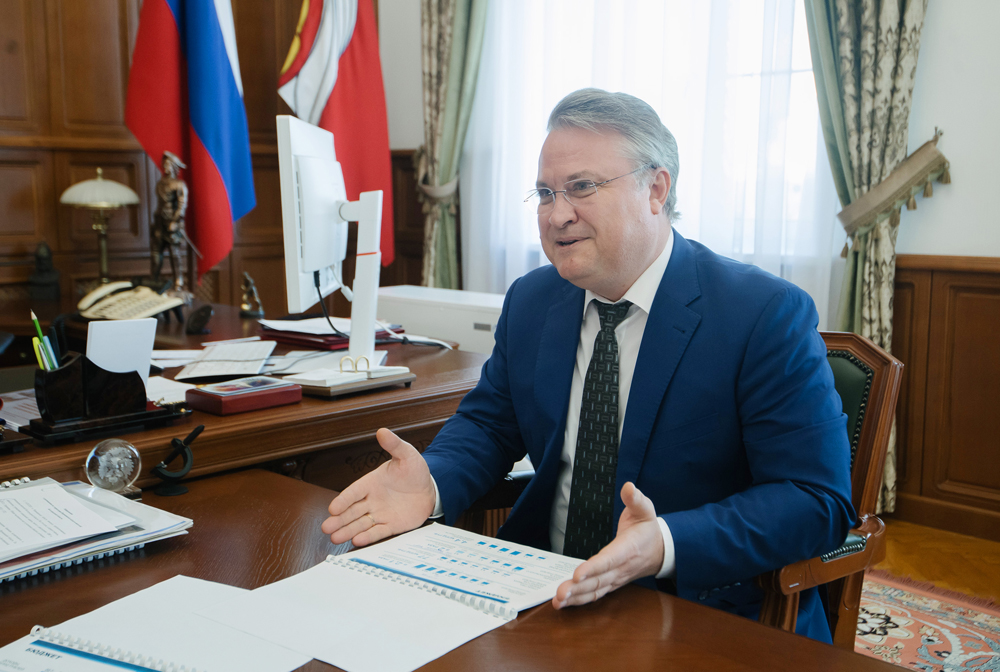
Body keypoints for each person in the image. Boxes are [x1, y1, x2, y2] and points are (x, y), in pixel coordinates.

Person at [322, 88, 854, 642]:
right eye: (545, 193)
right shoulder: (532, 300)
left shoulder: (761, 313)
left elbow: (814, 499)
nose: (557, 215)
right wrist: (433, 482)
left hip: (698, 611)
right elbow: (490, 425)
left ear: (656, 189)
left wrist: (665, 542)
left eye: (582, 187)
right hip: (538, 593)